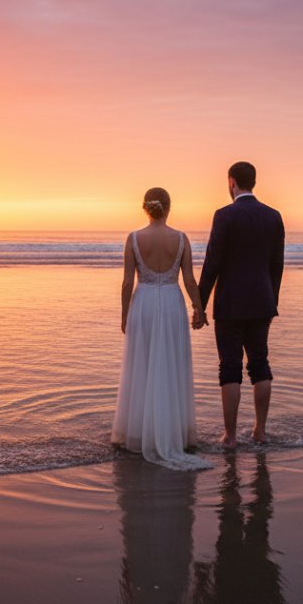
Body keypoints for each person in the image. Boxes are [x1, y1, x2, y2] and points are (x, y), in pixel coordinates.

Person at [112, 187, 212, 471]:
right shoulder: (180, 239)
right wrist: (199, 308)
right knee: (170, 366)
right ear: (168, 207)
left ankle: (138, 434)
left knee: (141, 365)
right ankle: (173, 433)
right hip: (171, 303)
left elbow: (127, 283)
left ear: (145, 208)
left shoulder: (133, 238)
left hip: (143, 303)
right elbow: (190, 281)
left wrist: (124, 315)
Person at [195, 161, 285, 448]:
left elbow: (212, 263)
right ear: (254, 182)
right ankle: (260, 431)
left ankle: (230, 437)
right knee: (260, 364)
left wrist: (200, 304)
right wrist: (272, 299)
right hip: (262, 301)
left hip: (230, 303)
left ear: (231, 182)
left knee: (230, 367)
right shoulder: (273, 216)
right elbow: (277, 265)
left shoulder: (224, 215)